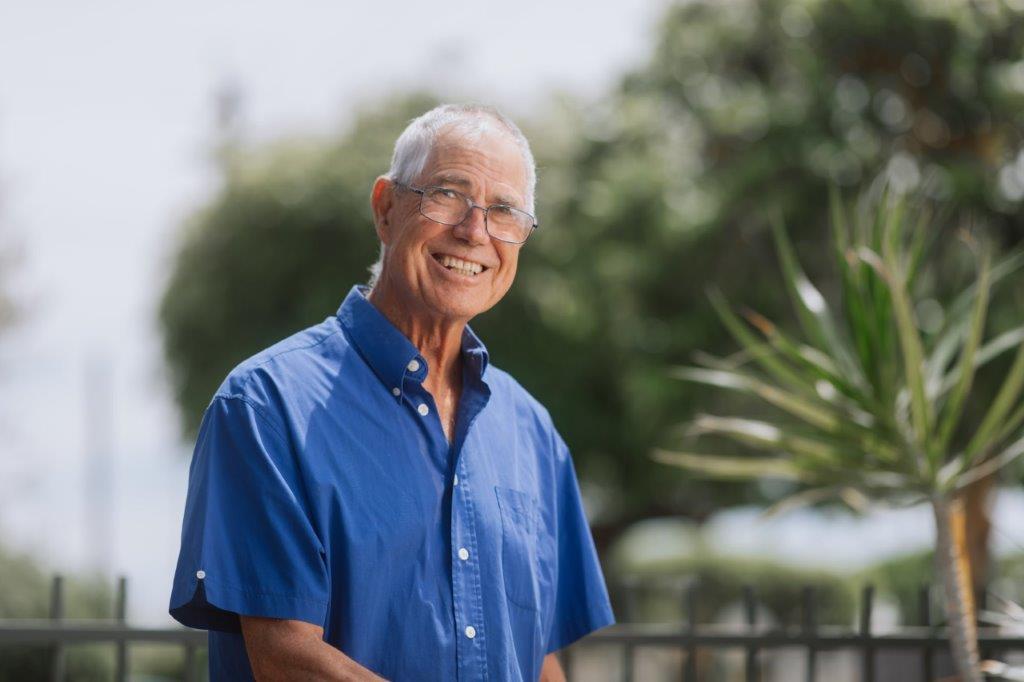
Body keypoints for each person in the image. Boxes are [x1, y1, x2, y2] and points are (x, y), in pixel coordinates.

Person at [168, 102, 615, 681]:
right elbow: (285, 658)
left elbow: (540, 659)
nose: (475, 232)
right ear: (385, 208)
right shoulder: (265, 406)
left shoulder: (533, 431)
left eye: (504, 211)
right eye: (449, 195)